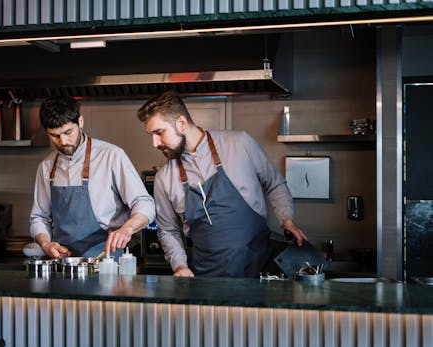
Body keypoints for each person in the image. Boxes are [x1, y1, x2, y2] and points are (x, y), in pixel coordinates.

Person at [137, 90, 307, 277]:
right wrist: (180, 266)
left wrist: (287, 219)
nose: (154, 142)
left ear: (182, 123)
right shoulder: (164, 178)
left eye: (159, 133)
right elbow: (168, 231)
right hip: (208, 279)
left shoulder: (239, 143)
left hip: (261, 272)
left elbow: (275, 183)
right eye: (150, 135)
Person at [30, 96, 155, 259]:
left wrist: (127, 229)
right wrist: (46, 244)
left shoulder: (111, 156)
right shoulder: (46, 166)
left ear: (80, 122)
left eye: (68, 132)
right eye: (54, 135)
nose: (63, 141)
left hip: (107, 259)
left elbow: (144, 203)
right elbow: (39, 217)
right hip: (65, 263)